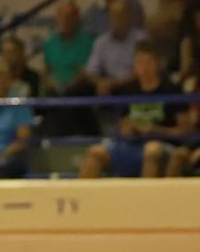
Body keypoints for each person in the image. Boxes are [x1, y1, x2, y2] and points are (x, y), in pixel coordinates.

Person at [78, 42, 193, 179]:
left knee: (151, 150)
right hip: (130, 144)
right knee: (95, 152)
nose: (144, 68)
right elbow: (123, 124)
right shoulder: (129, 90)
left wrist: (155, 130)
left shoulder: (172, 90)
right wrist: (129, 129)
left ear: (157, 63)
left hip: (161, 144)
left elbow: (186, 130)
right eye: (140, 62)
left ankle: (146, 193)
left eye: (148, 62)